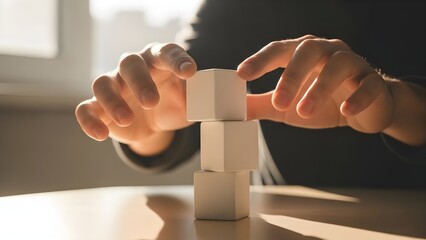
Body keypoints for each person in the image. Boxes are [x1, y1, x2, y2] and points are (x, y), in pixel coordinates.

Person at [75, 0, 426, 188]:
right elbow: (181, 99)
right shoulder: (238, 7)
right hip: (272, 218)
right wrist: (149, 125)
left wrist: (398, 108)